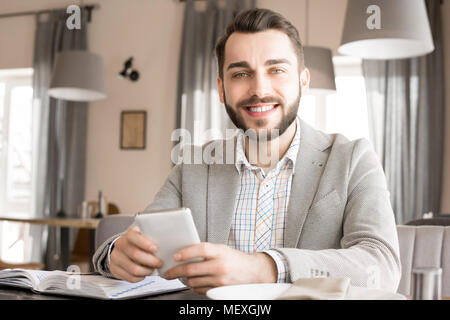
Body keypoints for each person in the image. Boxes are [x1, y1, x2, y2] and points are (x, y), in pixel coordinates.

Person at [93, 8, 401, 295]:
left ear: (303, 81)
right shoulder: (194, 165)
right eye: (241, 74)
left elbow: (381, 267)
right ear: (221, 88)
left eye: (276, 70)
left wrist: (265, 267)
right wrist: (116, 253)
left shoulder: (353, 159)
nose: (259, 89)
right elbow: (137, 238)